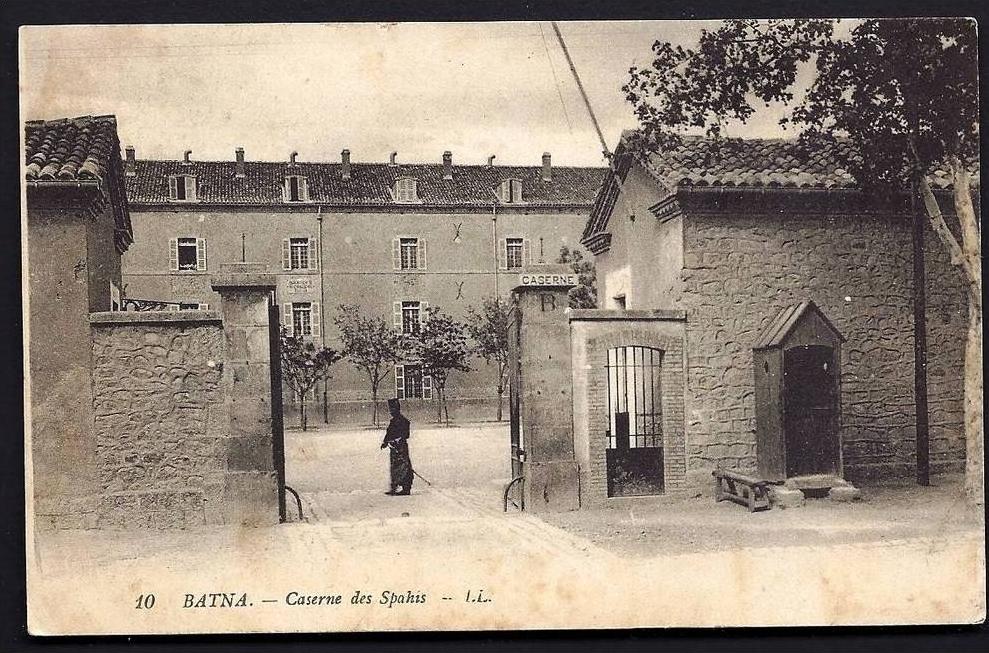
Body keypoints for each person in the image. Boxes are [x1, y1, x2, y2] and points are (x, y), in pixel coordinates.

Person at [381, 398, 413, 495]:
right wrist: (385, 442)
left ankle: (406, 488)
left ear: (397, 409)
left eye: (393, 409)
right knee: (395, 468)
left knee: (404, 468)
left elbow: (405, 434)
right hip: (394, 448)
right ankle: (394, 487)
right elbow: (389, 433)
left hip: (401, 447)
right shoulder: (394, 421)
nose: (391, 412)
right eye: (390, 410)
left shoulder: (403, 421)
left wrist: (397, 440)